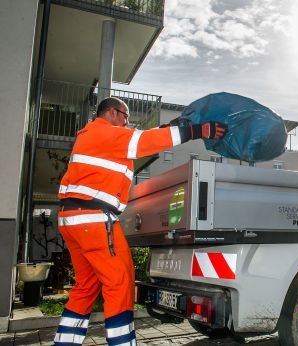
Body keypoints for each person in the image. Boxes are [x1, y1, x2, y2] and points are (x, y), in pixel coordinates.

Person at [53, 97, 227, 346]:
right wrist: (196, 131)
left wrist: (173, 125)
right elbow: (143, 141)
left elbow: (143, 137)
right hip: (94, 220)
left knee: (86, 286)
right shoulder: (107, 133)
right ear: (112, 113)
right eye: (125, 116)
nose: (127, 122)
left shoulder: (92, 136)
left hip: (74, 219)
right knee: (120, 283)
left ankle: (64, 343)